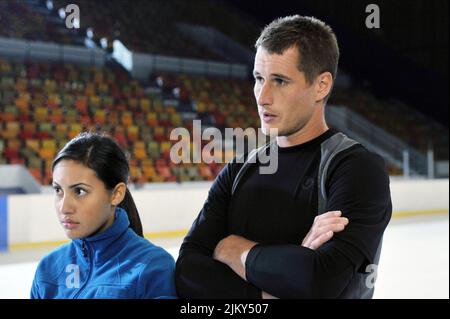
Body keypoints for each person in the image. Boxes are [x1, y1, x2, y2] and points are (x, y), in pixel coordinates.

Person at [175, 15, 392, 299]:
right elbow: (187, 272)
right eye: (258, 78)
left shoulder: (355, 169)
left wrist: (232, 249)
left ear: (321, 85)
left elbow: (319, 280)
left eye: (279, 81)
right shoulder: (239, 169)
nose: (262, 96)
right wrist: (276, 283)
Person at [31, 132, 177, 299]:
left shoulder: (153, 267)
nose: (64, 207)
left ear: (116, 194)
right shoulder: (48, 268)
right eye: (58, 190)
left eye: (79, 191)